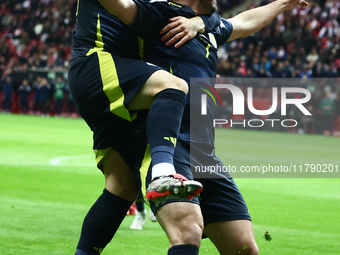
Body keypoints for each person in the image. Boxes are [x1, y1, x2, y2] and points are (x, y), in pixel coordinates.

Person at [93, 0, 308, 254]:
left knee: (244, 248)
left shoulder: (210, 30)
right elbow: (121, 8)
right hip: (167, 147)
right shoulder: (158, 15)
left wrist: (284, 3)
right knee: (188, 231)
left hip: (205, 152)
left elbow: (245, 22)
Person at [69, 1, 218, 254]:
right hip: (97, 61)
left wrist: (201, 22)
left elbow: (211, 14)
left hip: (124, 83)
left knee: (122, 187)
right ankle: (162, 171)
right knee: (173, 86)